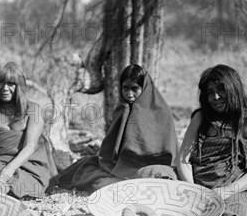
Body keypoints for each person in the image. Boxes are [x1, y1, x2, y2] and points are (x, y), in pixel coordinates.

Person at [176, 64, 247, 216]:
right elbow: (183, 160)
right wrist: (194, 190)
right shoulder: (201, 117)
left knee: (236, 211)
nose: (216, 97)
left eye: (221, 90)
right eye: (210, 92)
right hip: (196, 187)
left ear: (234, 89)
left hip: (239, 191)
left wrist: (228, 190)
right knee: (154, 173)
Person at [57, 64, 179, 192]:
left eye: (134, 89)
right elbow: (111, 151)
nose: (129, 94)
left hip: (152, 166)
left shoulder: (161, 112)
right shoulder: (123, 110)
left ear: (144, 88)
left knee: (158, 176)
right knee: (90, 172)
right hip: (124, 166)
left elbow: (168, 152)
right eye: (125, 88)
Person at [0, 62, 56, 199]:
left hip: (27, 165)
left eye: (11, 84)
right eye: (0, 83)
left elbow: (30, 146)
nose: (5, 88)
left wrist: (7, 171)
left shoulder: (33, 110)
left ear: (19, 86)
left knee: (13, 188)